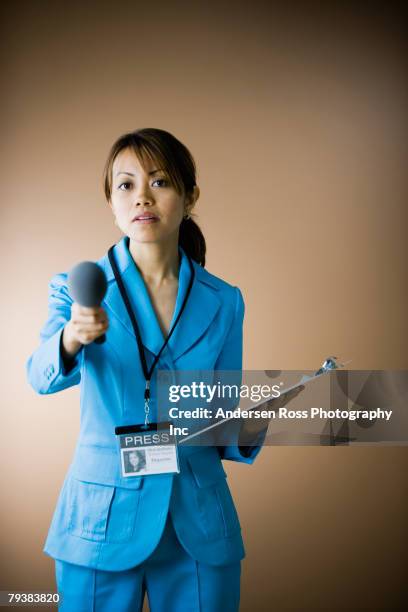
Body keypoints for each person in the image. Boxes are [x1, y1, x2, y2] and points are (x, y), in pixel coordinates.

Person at [26, 128, 300, 612]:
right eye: (126, 185)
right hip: (101, 524)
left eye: (160, 182)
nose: (142, 198)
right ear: (111, 201)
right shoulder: (77, 286)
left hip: (197, 524)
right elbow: (40, 376)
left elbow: (219, 414)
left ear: (190, 196)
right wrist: (71, 337)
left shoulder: (225, 301)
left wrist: (273, 417)